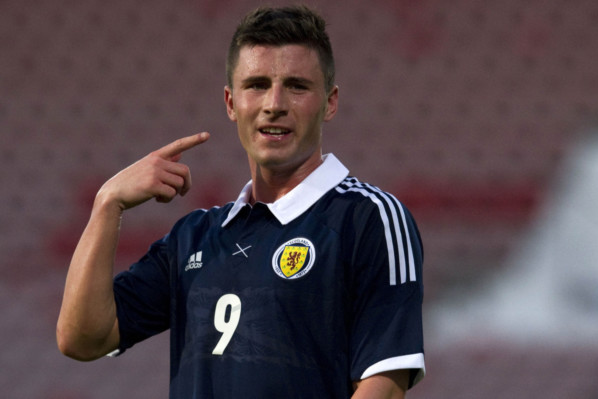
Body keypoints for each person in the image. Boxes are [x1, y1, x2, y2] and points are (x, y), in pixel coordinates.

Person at [56, 5, 425, 398]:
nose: (274, 104)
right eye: (257, 85)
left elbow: (382, 385)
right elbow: (82, 338)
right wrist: (107, 204)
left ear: (330, 102)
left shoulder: (368, 218)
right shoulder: (195, 239)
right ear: (231, 103)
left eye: (297, 86)